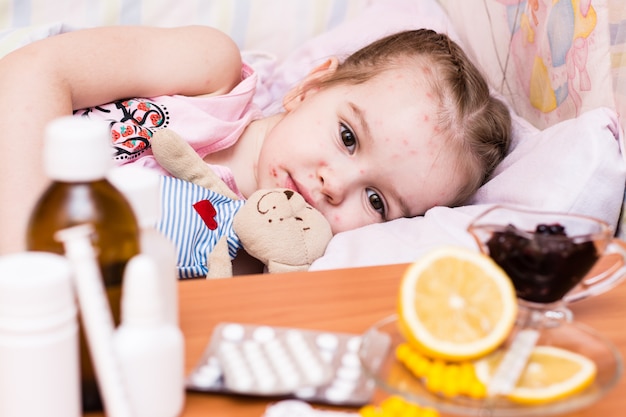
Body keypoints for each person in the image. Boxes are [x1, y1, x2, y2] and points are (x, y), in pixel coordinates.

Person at [0, 26, 511, 254]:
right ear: (310, 87)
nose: (335, 184)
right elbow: (36, 69)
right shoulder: (210, 74)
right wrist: (27, 257)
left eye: (377, 201)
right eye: (348, 137)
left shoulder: (248, 256)